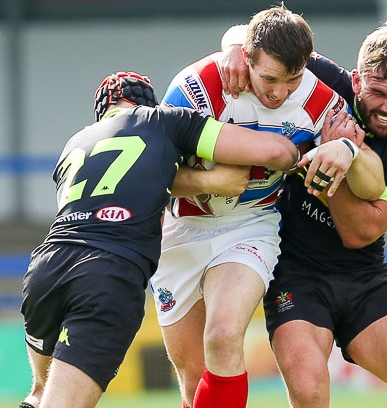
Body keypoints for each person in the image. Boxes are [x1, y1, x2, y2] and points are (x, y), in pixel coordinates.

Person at [18, 71, 300, 408]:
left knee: (40, 393)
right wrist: (294, 155)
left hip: (46, 268)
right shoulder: (164, 121)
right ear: (148, 104)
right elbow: (271, 152)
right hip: (108, 273)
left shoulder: (75, 143)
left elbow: (136, 178)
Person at [150, 4, 385, 408]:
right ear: (247, 58)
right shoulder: (198, 87)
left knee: (222, 337)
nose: (280, 93)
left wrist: (348, 148)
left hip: (250, 226)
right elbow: (155, 175)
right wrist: (211, 181)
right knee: (192, 381)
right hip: (181, 230)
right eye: (270, 79)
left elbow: (374, 184)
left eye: (292, 80)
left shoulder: (318, 100)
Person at [221, 21, 387, 408]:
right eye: (378, 92)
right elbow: (257, 32)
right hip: (294, 271)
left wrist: (341, 152)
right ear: (356, 80)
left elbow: (360, 233)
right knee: (309, 392)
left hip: (364, 277)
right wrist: (233, 49)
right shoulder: (322, 80)